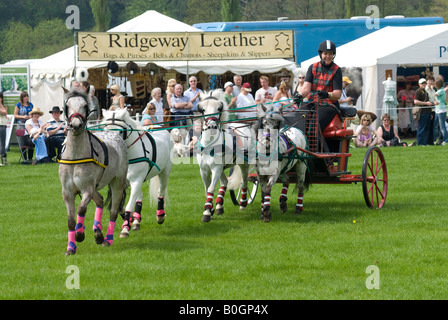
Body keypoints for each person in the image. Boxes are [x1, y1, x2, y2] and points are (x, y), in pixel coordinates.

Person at [294, 40, 343, 131]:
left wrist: (327, 94)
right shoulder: (313, 67)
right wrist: (299, 95)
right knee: (299, 121)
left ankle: (316, 144)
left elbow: (338, 94)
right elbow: (306, 88)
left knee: (314, 126)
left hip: (329, 105)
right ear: (320, 54)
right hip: (312, 102)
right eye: (325, 53)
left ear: (333, 55)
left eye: (330, 54)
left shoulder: (337, 70)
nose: (328, 56)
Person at [414, 78, 434, 146]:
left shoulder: (425, 91)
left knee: (426, 128)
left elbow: (428, 102)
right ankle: (420, 143)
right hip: (422, 112)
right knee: (421, 128)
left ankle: (425, 143)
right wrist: (426, 103)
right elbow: (415, 101)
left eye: (425, 83)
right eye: (422, 83)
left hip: (427, 112)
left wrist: (431, 112)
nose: (424, 84)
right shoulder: (418, 91)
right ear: (419, 84)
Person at [433, 78, 448, 145]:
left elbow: (435, 94)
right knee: (436, 125)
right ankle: (436, 139)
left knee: (442, 127)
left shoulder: (441, 90)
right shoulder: (441, 90)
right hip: (437, 109)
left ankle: (445, 140)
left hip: (441, 110)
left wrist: (432, 88)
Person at [0, 93, 8, 166]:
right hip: (1, 125)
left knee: (2, 143)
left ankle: (4, 161)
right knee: (2, 143)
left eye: (1, 97)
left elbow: (5, 114)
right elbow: (4, 112)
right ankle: (3, 161)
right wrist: (4, 108)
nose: (0, 99)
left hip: (3, 125)